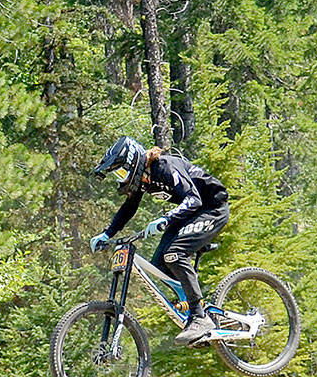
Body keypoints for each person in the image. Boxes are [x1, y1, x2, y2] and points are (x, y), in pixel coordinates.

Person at [91, 136, 230, 346]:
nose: (121, 179)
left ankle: (199, 316)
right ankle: (191, 306)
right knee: (159, 266)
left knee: (174, 254)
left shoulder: (164, 166)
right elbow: (129, 208)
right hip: (190, 215)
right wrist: (107, 234)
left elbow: (194, 199)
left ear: (134, 163)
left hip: (211, 209)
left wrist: (165, 218)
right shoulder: (144, 180)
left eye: (122, 172)